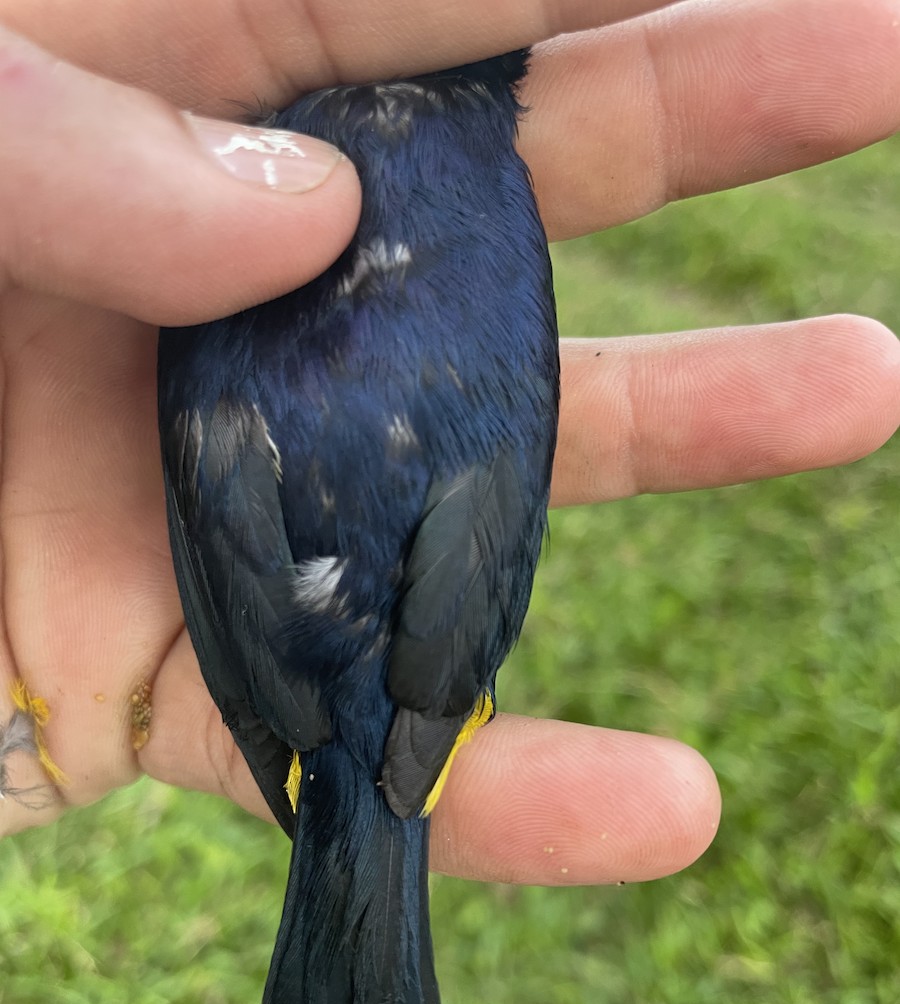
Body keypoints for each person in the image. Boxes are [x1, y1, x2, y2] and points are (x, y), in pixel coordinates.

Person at [0, 0, 897, 890]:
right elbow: (504, 458)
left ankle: (357, 825)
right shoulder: (469, 188)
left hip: (277, 593)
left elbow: (216, 455)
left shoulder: (295, 142)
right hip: (371, 607)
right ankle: (364, 835)